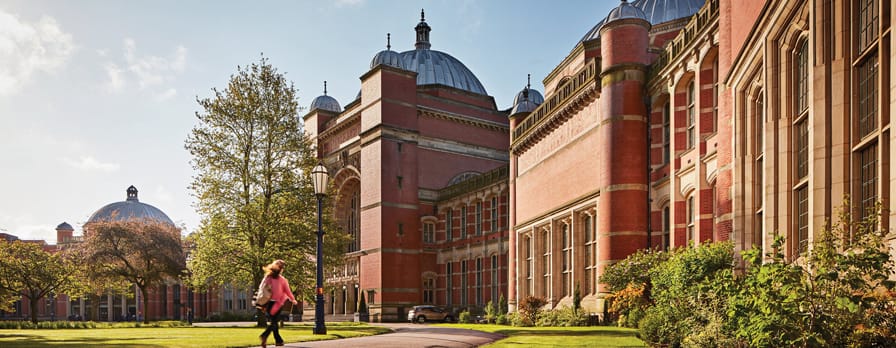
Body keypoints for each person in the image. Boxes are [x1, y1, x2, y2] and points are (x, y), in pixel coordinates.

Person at [258, 259, 298, 348]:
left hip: (267, 303)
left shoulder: (267, 277)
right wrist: (293, 300)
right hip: (277, 303)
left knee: (274, 321)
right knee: (274, 322)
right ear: (281, 269)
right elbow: (288, 291)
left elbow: (262, 289)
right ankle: (264, 335)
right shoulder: (282, 280)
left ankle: (278, 341)